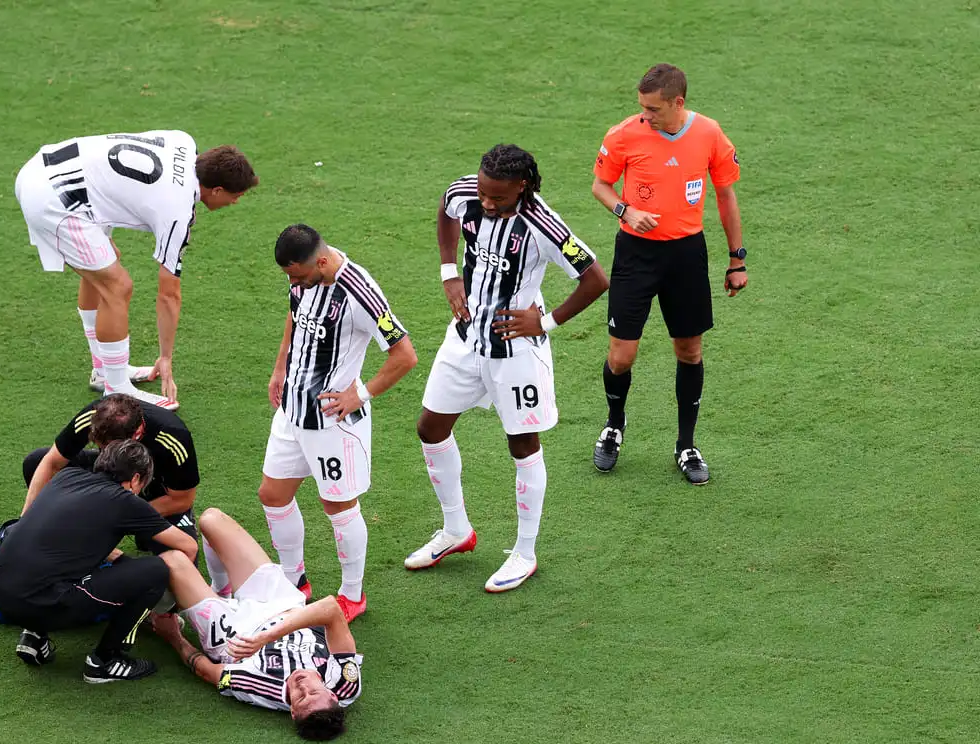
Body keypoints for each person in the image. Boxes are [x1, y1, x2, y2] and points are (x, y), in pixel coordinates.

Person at [405, 144, 609, 592]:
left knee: (522, 443)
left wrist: (547, 320)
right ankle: (456, 530)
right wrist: (448, 272)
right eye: (484, 193)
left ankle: (524, 551)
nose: (488, 203)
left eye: (498, 197)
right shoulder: (468, 195)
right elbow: (447, 205)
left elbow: (595, 278)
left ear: (523, 186)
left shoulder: (543, 226)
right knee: (430, 427)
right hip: (464, 337)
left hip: (516, 349)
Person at [14, 131, 258, 409]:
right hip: (54, 199)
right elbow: (169, 294)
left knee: (103, 267)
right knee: (116, 287)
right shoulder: (178, 210)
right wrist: (165, 357)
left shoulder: (184, 141)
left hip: (44, 169)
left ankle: (104, 370)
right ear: (216, 190)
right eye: (235, 196)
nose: (235, 202)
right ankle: (116, 387)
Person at [590, 63, 747, 484]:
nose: (644, 116)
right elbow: (600, 186)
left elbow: (726, 197)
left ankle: (686, 445)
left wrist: (737, 259)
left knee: (689, 350)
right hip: (635, 255)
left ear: (678, 103)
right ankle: (613, 425)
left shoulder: (710, 134)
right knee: (621, 355)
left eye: (653, 109)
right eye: (641, 107)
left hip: (686, 256)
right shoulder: (624, 133)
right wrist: (626, 210)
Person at [259, 224, 417, 622]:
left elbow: (405, 355)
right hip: (292, 411)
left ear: (322, 262)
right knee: (272, 495)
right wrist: (280, 367)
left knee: (337, 505)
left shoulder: (360, 292)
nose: (294, 284)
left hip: (332, 422)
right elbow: (294, 318)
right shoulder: (303, 279)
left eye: (297, 276)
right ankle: (294, 582)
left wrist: (358, 395)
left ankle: (352, 594)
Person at [0, 440, 198, 683]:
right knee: (154, 571)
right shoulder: (125, 501)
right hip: (40, 603)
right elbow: (188, 545)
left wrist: (117, 556)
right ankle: (105, 661)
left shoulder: (67, 476)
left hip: (1, 592)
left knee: (65, 561)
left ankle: (34, 635)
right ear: (135, 479)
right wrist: (169, 604)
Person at [150, 508, 361, 741]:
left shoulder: (262, 689)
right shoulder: (345, 682)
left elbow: (207, 671)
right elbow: (330, 609)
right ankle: (221, 590)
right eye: (313, 690)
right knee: (211, 519)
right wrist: (266, 637)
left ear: (292, 711)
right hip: (280, 604)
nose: (302, 686)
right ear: (332, 695)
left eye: (300, 698)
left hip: (232, 633)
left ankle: (215, 602)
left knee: (171, 560)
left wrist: (174, 637)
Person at [20, 393, 199, 551]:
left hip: (155, 493)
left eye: (109, 448)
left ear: (137, 434)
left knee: (181, 554)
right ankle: (57, 529)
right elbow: (51, 462)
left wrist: (125, 516)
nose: (104, 452)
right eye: (101, 447)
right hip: (106, 474)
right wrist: (22, 524)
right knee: (36, 462)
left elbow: (183, 498)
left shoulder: (173, 437)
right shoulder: (95, 416)